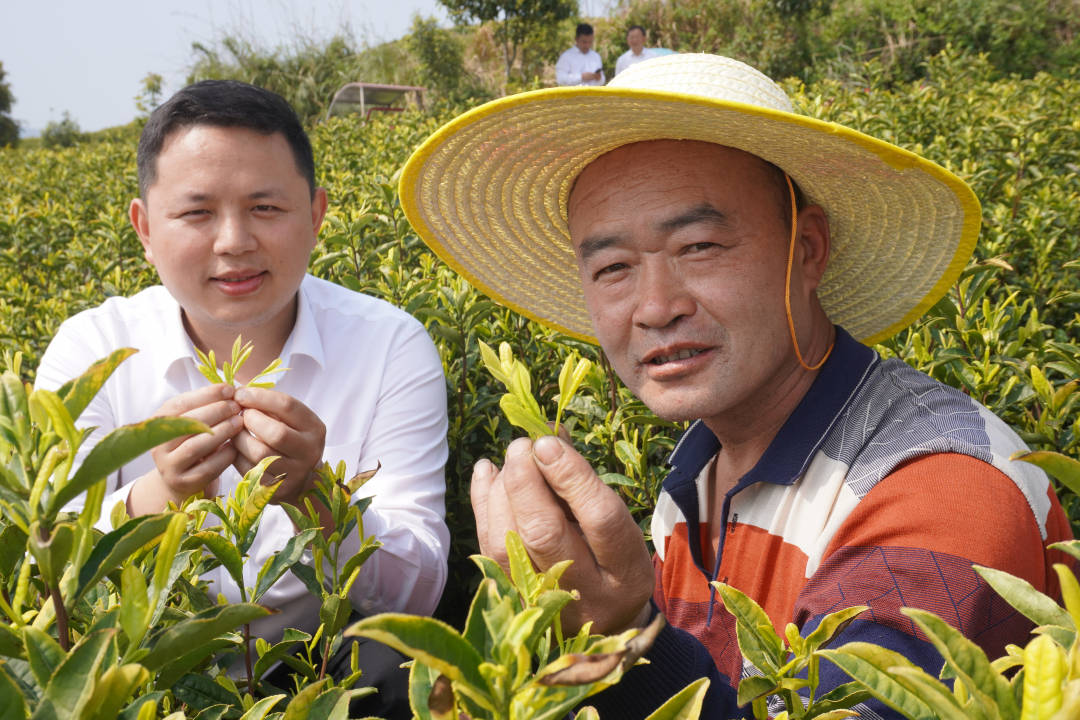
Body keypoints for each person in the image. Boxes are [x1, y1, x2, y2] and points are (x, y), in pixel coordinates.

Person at [395, 54, 1073, 719]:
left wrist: (625, 641)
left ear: (806, 249)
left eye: (699, 247)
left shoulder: (943, 491)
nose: (655, 306)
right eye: (612, 267)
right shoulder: (701, 463)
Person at [35, 80, 449, 719]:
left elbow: (419, 592)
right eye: (196, 213)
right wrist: (158, 500)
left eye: (265, 208)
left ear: (315, 215)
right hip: (141, 677)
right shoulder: (92, 350)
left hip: (316, 669)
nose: (233, 242)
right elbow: (42, 574)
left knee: (396, 667)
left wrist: (319, 498)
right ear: (144, 229)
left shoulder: (390, 344)